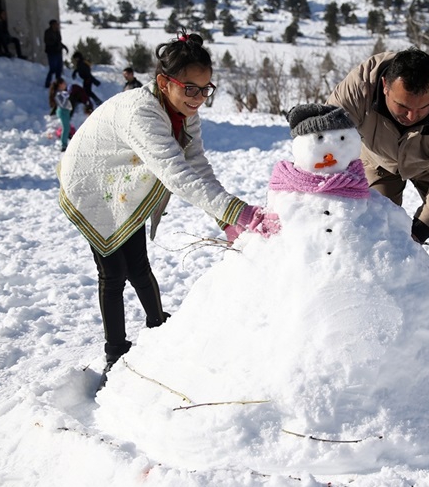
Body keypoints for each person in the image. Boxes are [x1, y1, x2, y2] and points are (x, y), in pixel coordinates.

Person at [57, 30, 280, 372]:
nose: (199, 97)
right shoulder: (141, 113)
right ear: (164, 82)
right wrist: (238, 211)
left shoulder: (185, 113)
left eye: (206, 89)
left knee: (139, 263)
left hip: (124, 183)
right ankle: (115, 351)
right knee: (114, 271)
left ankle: (158, 323)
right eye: (190, 88)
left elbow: (197, 165)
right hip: (93, 183)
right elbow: (176, 173)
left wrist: (225, 219)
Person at [326, 47, 429, 293]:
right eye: (403, 106)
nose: (412, 116)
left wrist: (419, 232)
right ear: (385, 86)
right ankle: (379, 297)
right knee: (375, 225)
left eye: (423, 108)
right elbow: (326, 138)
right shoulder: (360, 86)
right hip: (378, 160)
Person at [49, 79, 74, 152]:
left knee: (67, 128)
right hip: (62, 112)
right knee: (66, 128)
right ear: (60, 85)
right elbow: (62, 103)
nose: (65, 84)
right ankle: (63, 145)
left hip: (66, 112)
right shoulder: (58, 94)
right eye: (64, 83)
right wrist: (67, 94)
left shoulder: (62, 93)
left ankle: (65, 143)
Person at [43, 19, 68, 88]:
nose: (57, 25)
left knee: (59, 69)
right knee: (52, 69)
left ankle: (58, 83)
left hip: (58, 52)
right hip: (51, 53)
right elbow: (47, 42)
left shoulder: (57, 32)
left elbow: (59, 41)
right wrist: (54, 45)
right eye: (55, 24)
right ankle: (47, 83)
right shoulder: (48, 32)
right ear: (52, 25)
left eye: (57, 24)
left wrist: (64, 47)